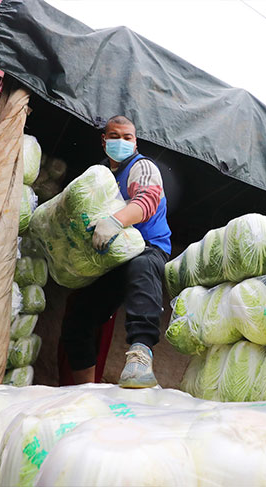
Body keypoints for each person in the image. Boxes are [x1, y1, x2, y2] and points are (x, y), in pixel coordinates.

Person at [61, 115, 171, 388]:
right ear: (104, 140)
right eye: (115, 137)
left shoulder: (142, 167)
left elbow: (146, 202)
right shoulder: (98, 176)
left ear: (135, 141)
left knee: (141, 267)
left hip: (147, 248)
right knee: (79, 317)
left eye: (128, 137)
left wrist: (115, 221)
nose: (121, 142)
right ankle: (84, 389)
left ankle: (140, 356)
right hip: (112, 258)